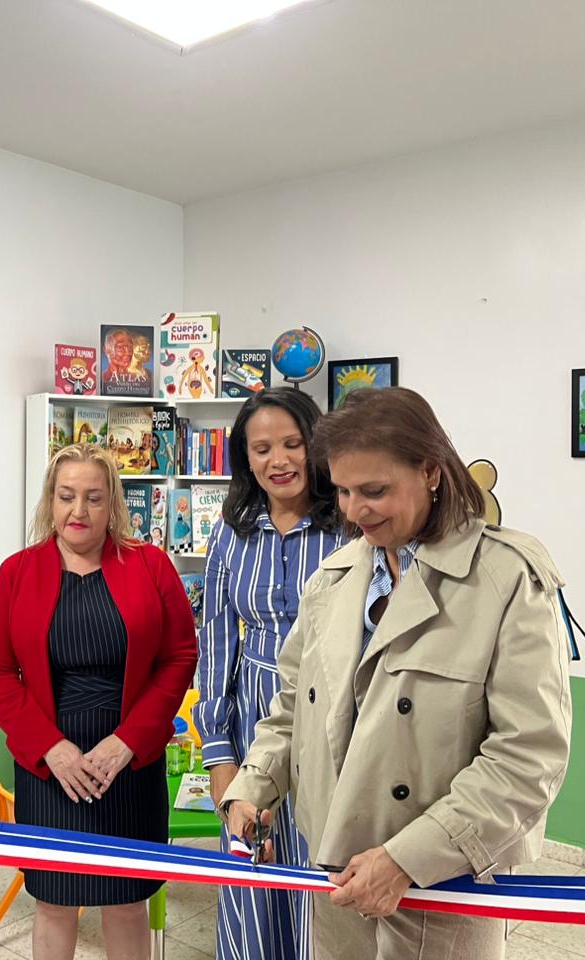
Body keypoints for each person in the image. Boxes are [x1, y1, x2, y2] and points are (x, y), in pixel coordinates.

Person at [222, 387, 571, 960]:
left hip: (446, 880)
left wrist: (407, 858)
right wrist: (254, 786)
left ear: (431, 470)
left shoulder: (507, 579)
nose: (354, 510)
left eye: (375, 490)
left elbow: (528, 756)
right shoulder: (332, 579)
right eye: (342, 490)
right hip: (336, 871)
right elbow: (293, 708)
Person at [0, 443, 196, 960]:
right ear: (50, 501)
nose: (79, 511)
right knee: (54, 900)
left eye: (94, 498)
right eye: (66, 496)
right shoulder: (17, 571)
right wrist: (50, 748)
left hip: (129, 759)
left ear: (113, 503)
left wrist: (128, 742)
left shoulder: (151, 565)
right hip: (50, 763)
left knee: (127, 901)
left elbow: (179, 657)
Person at [194, 387, 347, 960]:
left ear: (317, 446)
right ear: (245, 458)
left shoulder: (350, 527)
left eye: (292, 444)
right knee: (250, 871)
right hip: (252, 722)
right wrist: (219, 754)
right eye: (261, 449)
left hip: (331, 721)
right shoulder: (231, 532)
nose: (278, 461)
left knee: (321, 877)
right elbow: (215, 642)